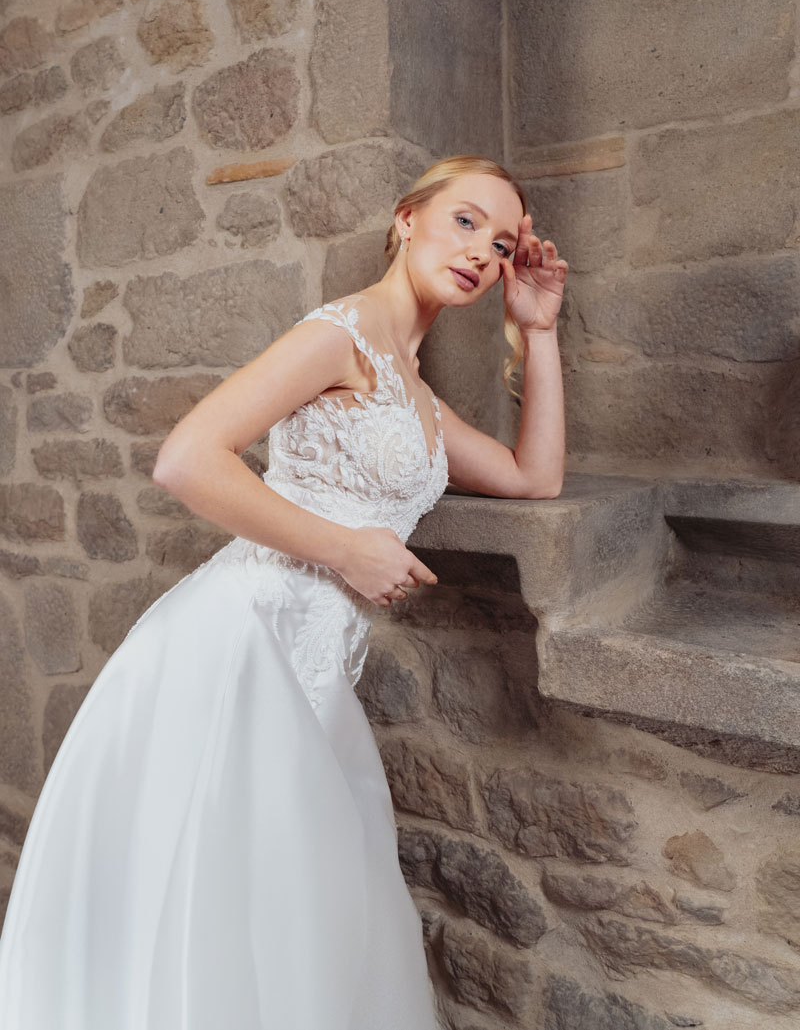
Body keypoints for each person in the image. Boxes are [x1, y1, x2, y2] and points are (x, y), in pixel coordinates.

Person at [0, 154, 567, 1029]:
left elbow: (535, 476)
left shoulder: (417, 394)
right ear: (406, 218)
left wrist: (539, 329)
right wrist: (349, 550)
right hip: (236, 646)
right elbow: (187, 459)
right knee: (215, 906)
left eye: (498, 245)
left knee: (278, 925)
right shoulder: (340, 334)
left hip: (311, 674)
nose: (480, 253)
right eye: (464, 221)